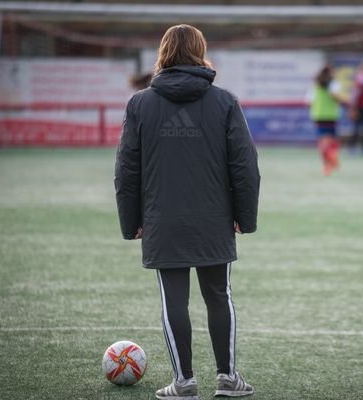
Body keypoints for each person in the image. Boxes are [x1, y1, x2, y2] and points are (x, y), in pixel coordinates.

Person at [114, 24, 260, 400]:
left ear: (162, 53)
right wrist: (245, 216)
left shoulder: (140, 103)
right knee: (219, 295)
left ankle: (184, 383)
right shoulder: (224, 101)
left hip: (162, 219)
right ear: (201, 51)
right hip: (214, 218)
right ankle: (228, 378)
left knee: (173, 301)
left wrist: (132, 223)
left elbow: (126, 170)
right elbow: (245, 166)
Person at [307, 65, 347, 176]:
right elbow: (334, 95)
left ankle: (326, 165)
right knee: (331, 141)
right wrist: (346, 102)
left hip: (318, 115)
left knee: (323, 141)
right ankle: (332, 160)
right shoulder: (333, 83)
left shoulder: (315, 85)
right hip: (330, 115)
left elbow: (309, 102)